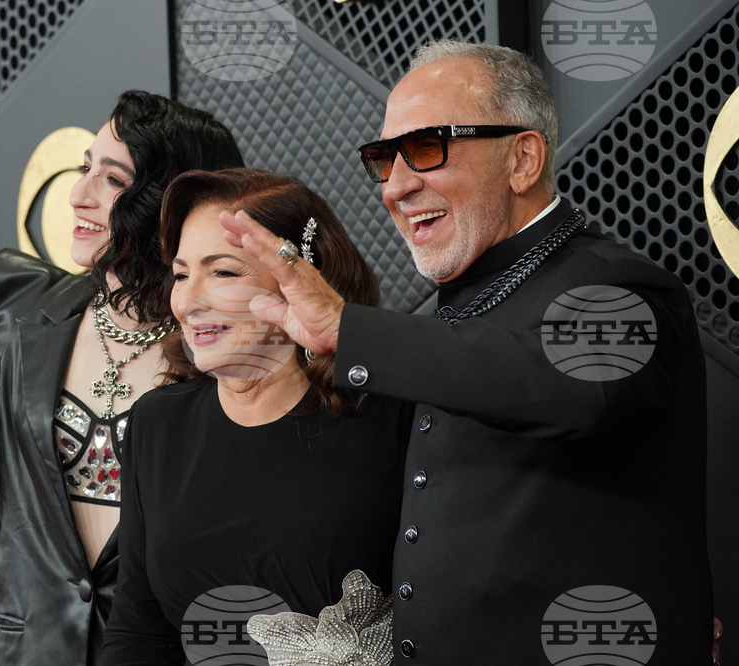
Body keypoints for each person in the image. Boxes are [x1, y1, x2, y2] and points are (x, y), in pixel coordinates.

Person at [220, 41, 714, 663]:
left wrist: (354, 332)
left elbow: (558, 383)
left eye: (427, 149)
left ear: (522, 159)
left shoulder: (621, 285)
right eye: (383, 159)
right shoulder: (458, 304)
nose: (395, 186)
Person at [0, 90, 244, 665]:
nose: (77, 193)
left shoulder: (228, 344)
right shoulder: (29, 312)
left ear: (170, 202)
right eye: (85, 166)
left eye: (112, 179)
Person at [100, 168, 411, 664]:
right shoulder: (157, 426)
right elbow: (140, 632)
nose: (188, 301)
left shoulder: (395, 414)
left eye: (222, 272)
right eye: (181, 274)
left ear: (302, 282)